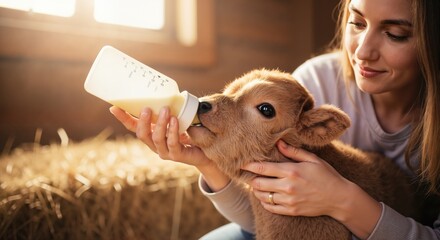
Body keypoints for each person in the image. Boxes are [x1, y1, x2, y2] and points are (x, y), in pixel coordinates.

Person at [109, 0, 440, 239]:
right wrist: (206, 162)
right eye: (357, 22)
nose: (363, 51)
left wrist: (343, 200)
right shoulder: (316, 81)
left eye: (395, 33)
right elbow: (262, 221)